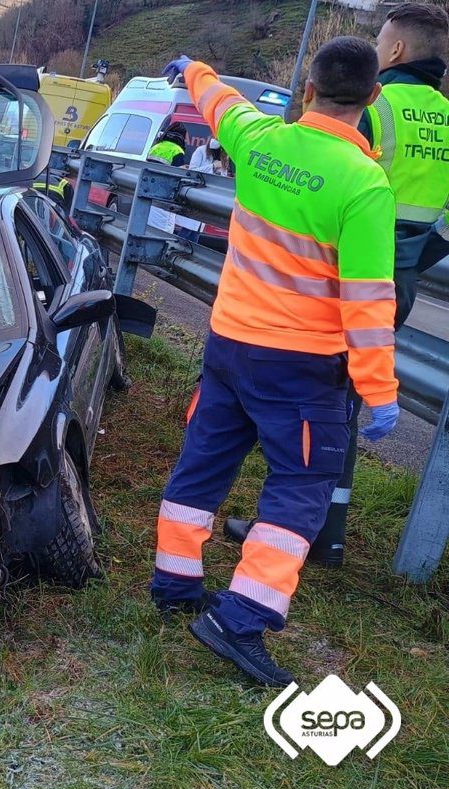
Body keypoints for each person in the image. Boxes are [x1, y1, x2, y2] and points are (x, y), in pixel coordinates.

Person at [149, 39, 400, 686]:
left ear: (307, 89)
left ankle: (175, 584)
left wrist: (193, 69)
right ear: (372, 99)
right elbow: (369, 301)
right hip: (301, 367)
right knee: (302, 485)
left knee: (204, 460)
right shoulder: (363, 183)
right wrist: (379, 390)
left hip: (229, 345)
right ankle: (241, 618)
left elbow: (219, 102)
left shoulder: (260, 139)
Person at [225, 3, 449, 566]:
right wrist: (419, 255)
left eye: (379, 39)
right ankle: (328, 532)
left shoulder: (375, 105)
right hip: (402, 279)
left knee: (309, 413)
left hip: (335, 284)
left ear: (394, 53)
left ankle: (303, 530)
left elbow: (320, 184)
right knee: (339, 410)